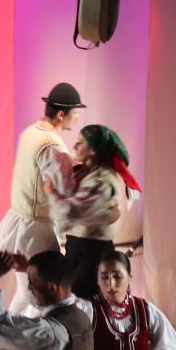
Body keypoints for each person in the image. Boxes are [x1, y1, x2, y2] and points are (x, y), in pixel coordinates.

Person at [0, 83, 89, 350]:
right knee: (42, 296)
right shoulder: (53, 146)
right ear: (61, 114)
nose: (77, 118)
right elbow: (62, 192)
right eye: (75, 113)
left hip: (20, 221)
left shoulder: (31, 133)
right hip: (35, 229)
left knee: (25, 293)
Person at [54, 125, 134, 294]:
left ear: (93, 150)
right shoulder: (87, 171)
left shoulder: (102, 179)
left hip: (91, 251)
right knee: (76, 295)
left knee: (83, 297)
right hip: (80, 246)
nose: (75, 146)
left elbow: (74, 210)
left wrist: (51, 193)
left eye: (80, 142)